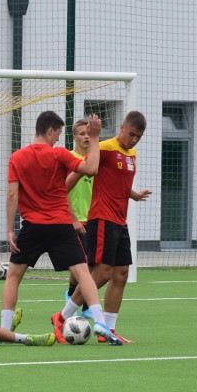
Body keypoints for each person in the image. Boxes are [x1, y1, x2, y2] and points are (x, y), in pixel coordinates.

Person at [0, 110, 123, 346]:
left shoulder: (17, 157)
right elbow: (91, 168)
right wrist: (95, 138)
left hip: (32, 227)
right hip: (60, 225)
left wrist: (10, 230)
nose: (58, 139)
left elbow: (12, 194)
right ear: (50, 130)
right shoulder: (59, 155)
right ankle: (100, 322)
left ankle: (5, 331)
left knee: (13, 276)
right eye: (57, 134)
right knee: (83, 273)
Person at [59, 110, 152, 344]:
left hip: (121, 221)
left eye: (138, 137)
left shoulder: (132, 154)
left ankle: (109, 330)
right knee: (101, 273)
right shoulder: (106, 147)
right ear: (122, 127)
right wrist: (60, 195)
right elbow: (80, 173)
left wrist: (134, 195)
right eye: (131, 134)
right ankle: (62, 317)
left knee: (121, 274)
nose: (133, 140)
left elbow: (118, 182)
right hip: (102, 218)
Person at [65, 118, 94, 318]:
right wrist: (73, 218)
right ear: (74, 137)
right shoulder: (69, 159)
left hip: (95, 218)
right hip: (73, 220)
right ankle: (85, 306)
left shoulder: (95, 160)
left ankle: (70, 293)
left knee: (90, 265)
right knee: (82, 264)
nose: (86, 137)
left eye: (89, 134)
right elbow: (61, 191)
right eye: (82, 133)